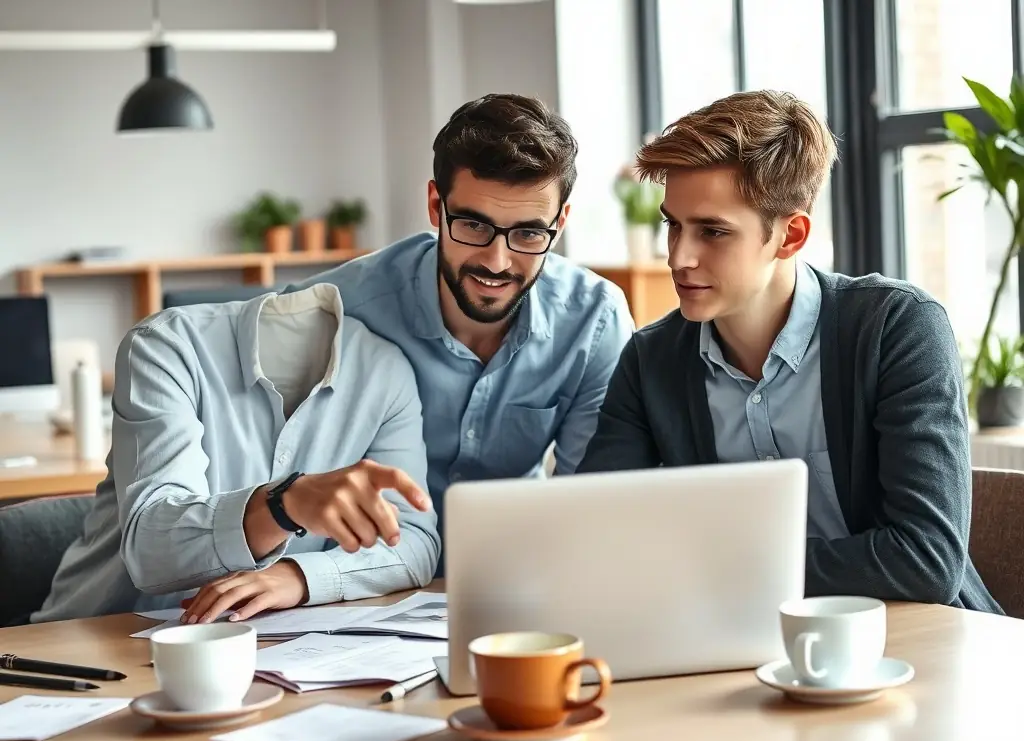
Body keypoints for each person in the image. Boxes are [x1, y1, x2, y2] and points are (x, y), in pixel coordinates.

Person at [577, 90, 1002, 613]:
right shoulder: (651, 360)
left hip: (923, 634)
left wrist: (721, 567)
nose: (679, 257)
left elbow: (925, 561)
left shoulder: (897, 328)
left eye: (713, 231)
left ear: (791, 235)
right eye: (674, 224)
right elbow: (597, 535)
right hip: (740, 636)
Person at [287, 94, 635, 572]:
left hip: (519, 575)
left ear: (560, 224)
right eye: (473, 225)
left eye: (529, 234)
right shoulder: (336, 308)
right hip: (365, 576)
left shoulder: (593, 320)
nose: (497, 261)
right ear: (436, 206)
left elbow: (590, 503)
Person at [32, 284, 440, 623]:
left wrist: (300, 577)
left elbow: (415, 543)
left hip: (267, 648)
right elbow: (151, 553)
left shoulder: (384, 370)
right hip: (94, 637)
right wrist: (284, 505)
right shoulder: (165, 345)